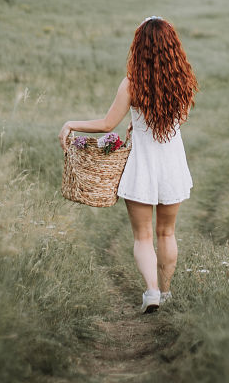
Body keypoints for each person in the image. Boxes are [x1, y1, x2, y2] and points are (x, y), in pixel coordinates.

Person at [59, 16, 197, 314]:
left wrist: (72, 123)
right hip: (172, 164)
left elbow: (108, 123)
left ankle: (151, 292)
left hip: (142, 166)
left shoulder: (132, 84)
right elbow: (180, 119)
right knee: (167, 233)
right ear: (172, 46)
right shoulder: (182, 79)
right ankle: (167, 291)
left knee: (143, 236)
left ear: (139, 47)